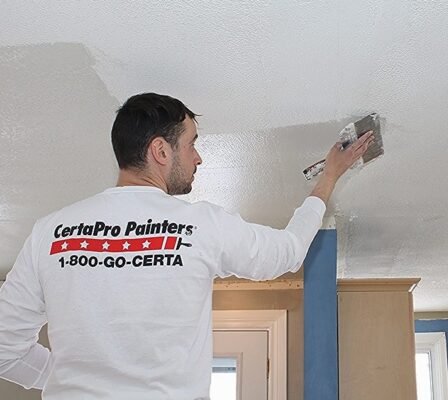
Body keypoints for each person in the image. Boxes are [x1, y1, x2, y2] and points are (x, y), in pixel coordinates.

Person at [0, 92, 374, 399]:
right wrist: (328, 178)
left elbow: (4, 349)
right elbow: (286, 252)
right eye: (191, 144)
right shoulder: (199, 226)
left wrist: (67, 380)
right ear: (161, 151)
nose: (197, 158)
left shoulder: (50, 232)